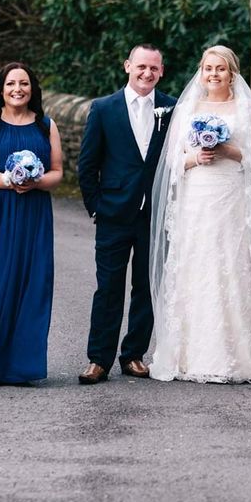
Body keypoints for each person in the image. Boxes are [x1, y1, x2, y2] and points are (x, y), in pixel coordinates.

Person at [149, 45, 251, 383]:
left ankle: (241, 356)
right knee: (197, 266)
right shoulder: (189, 107)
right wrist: (196, 159)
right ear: (201, 71)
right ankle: (190, 354)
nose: (213, 75)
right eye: (208, 68)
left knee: (232, 265)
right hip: (197, 197)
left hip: (231, 197)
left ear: (232, 73)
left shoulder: (247, 107)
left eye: (220, 69)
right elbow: (171, 159)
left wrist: (228, 150)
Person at [76, 44, 178, 384]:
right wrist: (96, 208)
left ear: (161, 71)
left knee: (147, 288)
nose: (147, 73)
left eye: (153, 68)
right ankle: (98, 359)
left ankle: (133, 354)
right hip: (114, 214)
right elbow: (87, 165)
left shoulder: (173, 108)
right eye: (141, 67)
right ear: (127, 66)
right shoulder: (104, 108)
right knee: (108, 288)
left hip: (156, 213)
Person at [0, 63, 63, 384]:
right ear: (1, 88)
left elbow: (57, 172)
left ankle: (22, 364)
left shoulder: (47, 126)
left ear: (33, 89)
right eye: (11, 83)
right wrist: (9, 179)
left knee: (31, 285)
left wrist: (34, 181)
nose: (18, 89)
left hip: (33, 214)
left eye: (24, 83)